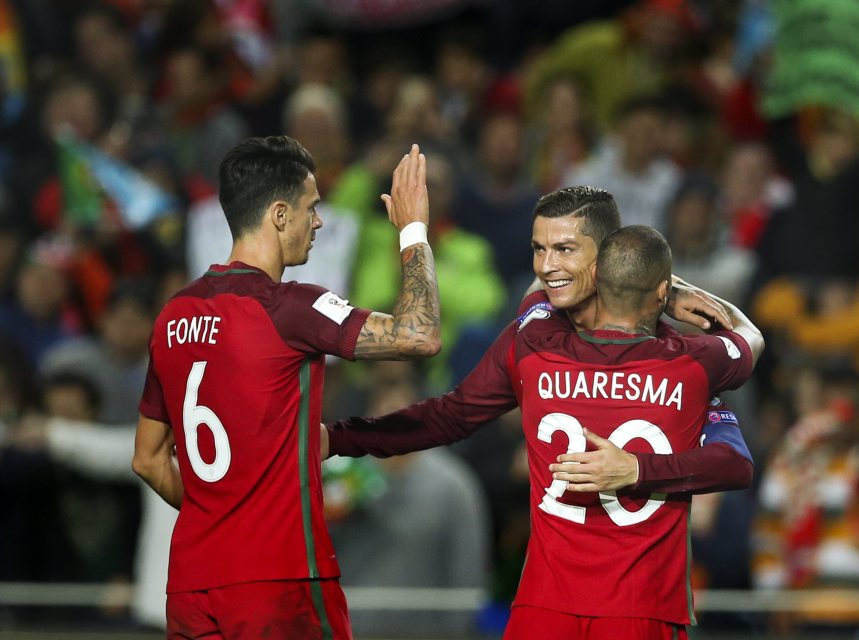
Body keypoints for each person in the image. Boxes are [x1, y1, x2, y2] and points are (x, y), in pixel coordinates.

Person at [325, 187, 758, 634]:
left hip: (580, 611)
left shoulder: (532, 338)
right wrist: (337, 438)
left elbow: (449, 413)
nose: (547, 266)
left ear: (605, 258)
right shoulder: (685, 359)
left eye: (564, 249)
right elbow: (447, 417)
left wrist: (635, 468)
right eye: (538, 249)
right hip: (600, 609)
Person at [132, 137, 441, 639]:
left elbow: (147, 458)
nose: (318, 222)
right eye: (311, 208)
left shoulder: (172, 315)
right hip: (279, 583)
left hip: (191, 582)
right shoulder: (291, 308)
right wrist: (412, 231)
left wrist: (222, 520)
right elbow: (419, 334)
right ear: (279, 214)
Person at [501, 224, 762, 639]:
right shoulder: (694, 367)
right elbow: (750, 336)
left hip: (543, 607)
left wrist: (600, 273)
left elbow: (542, 285)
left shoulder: (537, 346)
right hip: (641, 607)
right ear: (659, 292)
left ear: (597, 281)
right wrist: (638, 470)